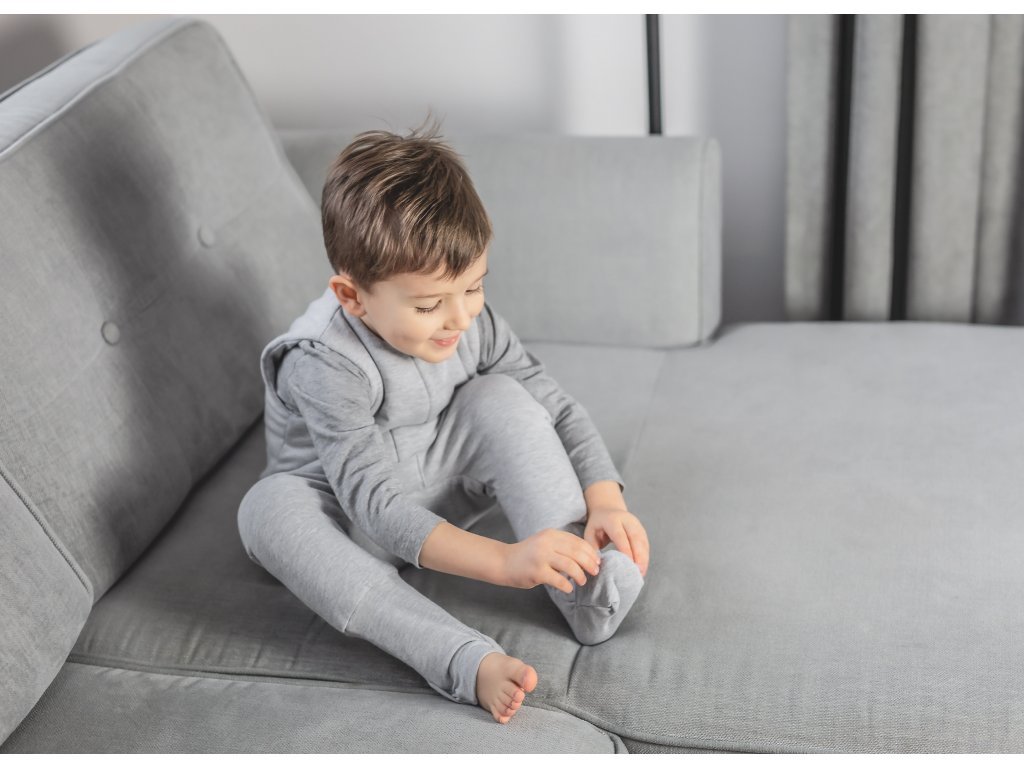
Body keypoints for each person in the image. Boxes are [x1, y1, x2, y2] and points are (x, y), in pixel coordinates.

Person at [238, 120, 649, 725]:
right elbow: (373, 504)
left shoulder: (467, 317)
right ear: (352, 297)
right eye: (429, 305)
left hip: (436, 485)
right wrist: (505, 561)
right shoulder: (322, 363)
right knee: (265, 510)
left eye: (474, 287)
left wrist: (605, 499)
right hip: (350, 520)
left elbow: (553, 404)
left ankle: (587, 589)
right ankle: (462, 659)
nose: (459, 318)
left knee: (500, 395)